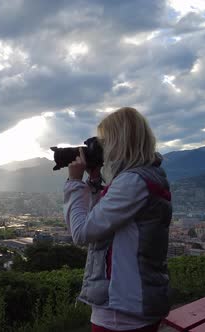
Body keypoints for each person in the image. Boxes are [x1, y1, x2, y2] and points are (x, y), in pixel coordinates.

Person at [64, 107, 172, 332]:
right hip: (136, 303)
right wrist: (94, 182)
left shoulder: (132, 182)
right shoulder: (147, 176)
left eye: (106, 140)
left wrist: (74, 183)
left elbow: (82, 232)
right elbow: (101, 222)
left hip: (121, 311)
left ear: (119, 141)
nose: (103, 148)